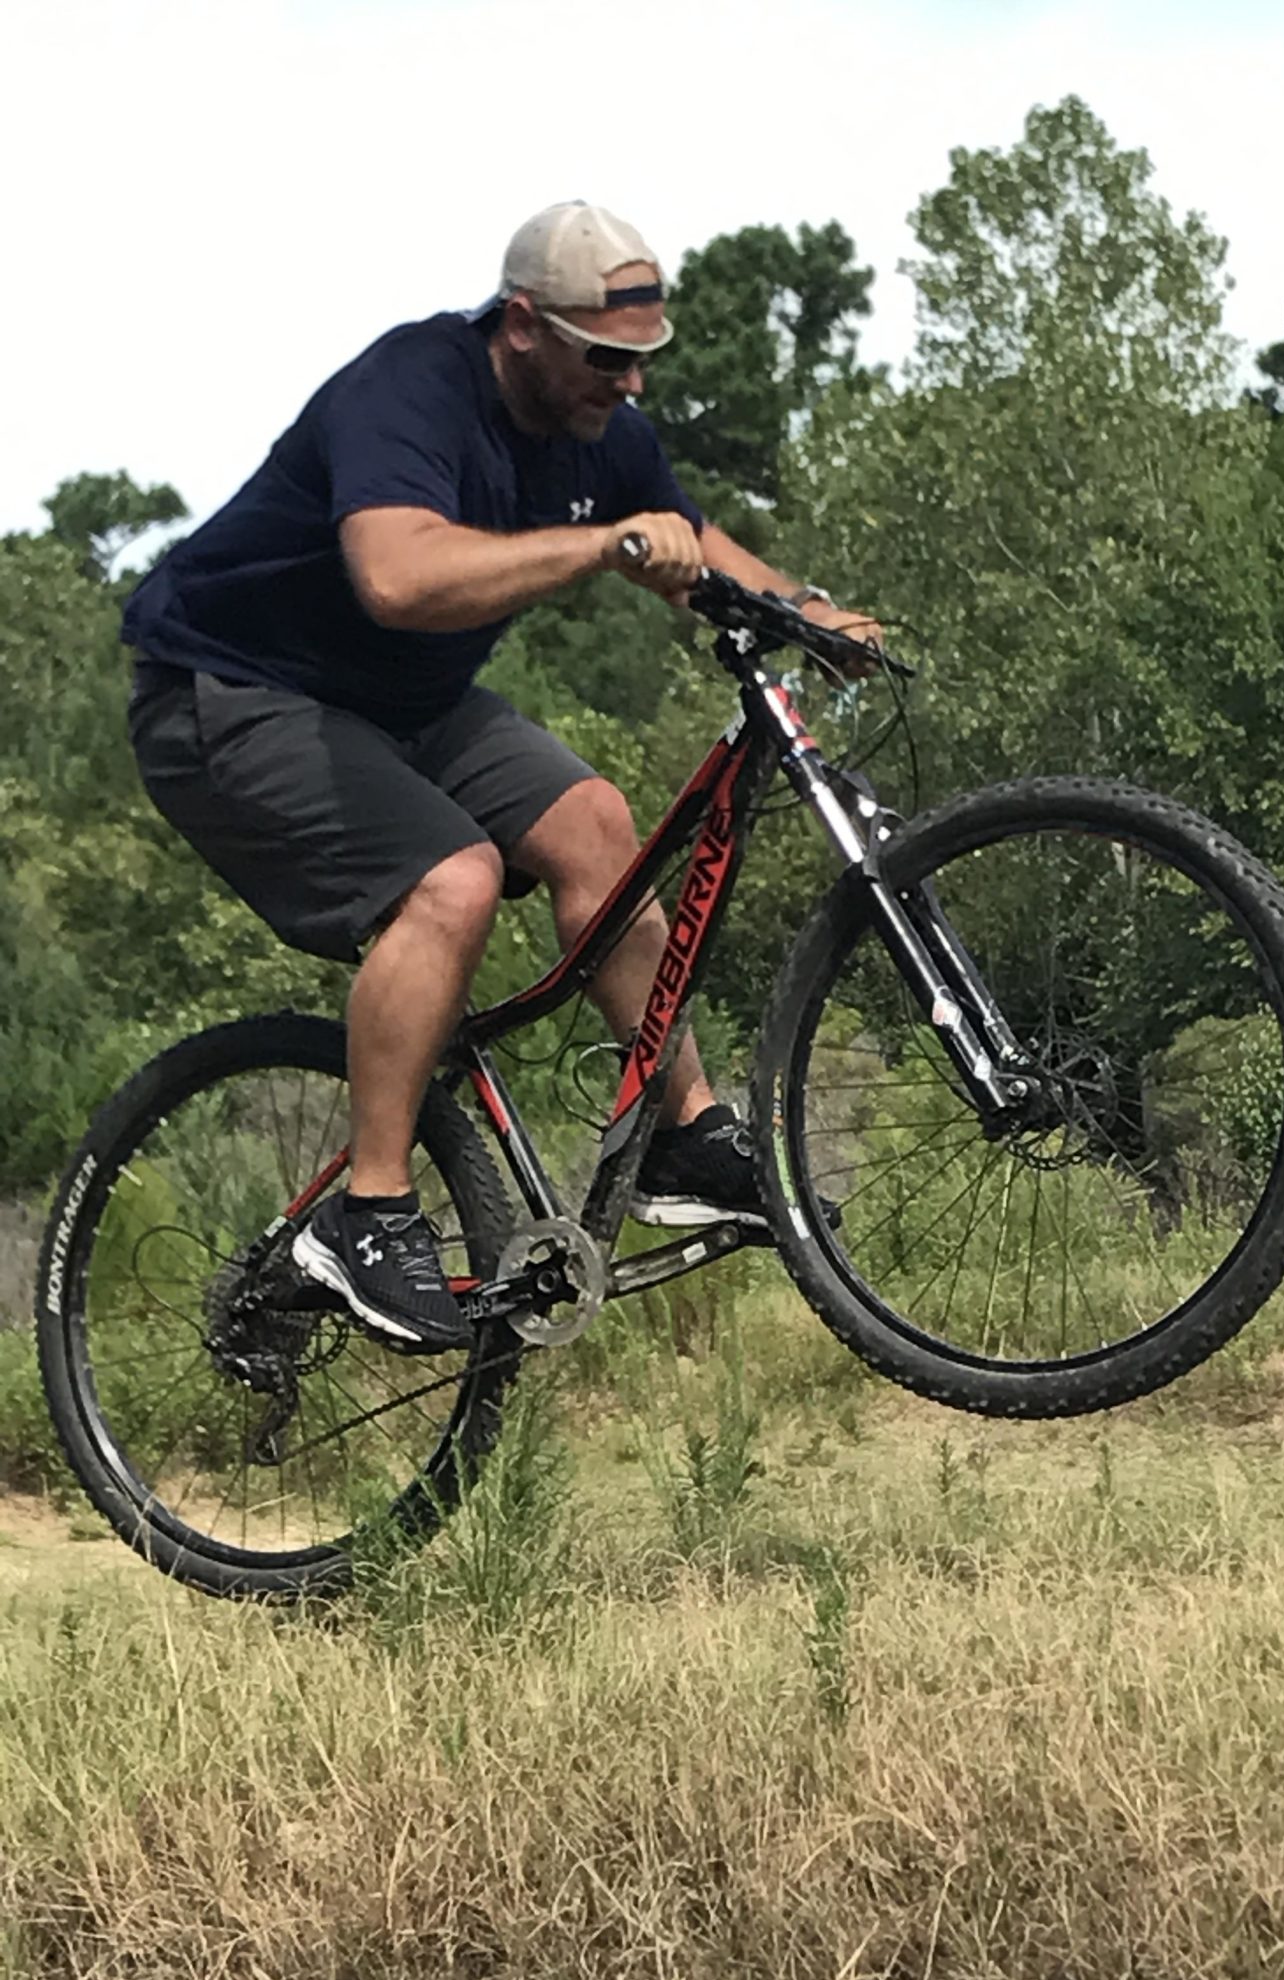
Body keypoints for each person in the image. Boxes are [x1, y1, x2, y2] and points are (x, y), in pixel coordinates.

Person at [121, 200, 881, 1353]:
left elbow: (683, 537)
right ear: (524, 323)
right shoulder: (410, 389)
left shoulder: (598, 426)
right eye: (606, 357)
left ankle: (685, 1136)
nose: (628, 384)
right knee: (454, 881)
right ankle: (365, 1212)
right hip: (228, 692)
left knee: (595, 827)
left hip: (400, 705)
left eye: (643, 361)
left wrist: (806, 612)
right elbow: (397, 578)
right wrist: (597, 545)